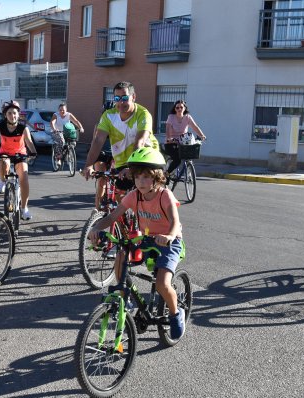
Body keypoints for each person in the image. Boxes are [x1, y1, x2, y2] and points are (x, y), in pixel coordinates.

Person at [88, 147, 185, 339]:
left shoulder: (164, 195)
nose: (140, 182)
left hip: (169, 242)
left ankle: (176, 314)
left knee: (162, 284)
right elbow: (114, 216)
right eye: (137, 177)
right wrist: (97, 228)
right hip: (146, 239)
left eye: (146, 177)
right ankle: (124, 296)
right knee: (121, 253)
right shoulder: (134, 196)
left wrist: (170, 236)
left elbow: (174, 222)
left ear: (157, 178)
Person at [83, 81, 159, 193]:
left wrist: (132, 168)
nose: (120, 102)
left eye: (124, 98)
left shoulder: (143, 114)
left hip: (145, 158)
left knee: (149, 194)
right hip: (122, 161)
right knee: (120, 195)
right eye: (117, 98)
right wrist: (88, 165)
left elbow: (140, 142)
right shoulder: (108, 115)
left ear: (133, 97)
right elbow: (98, 140)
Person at [0, 100, 37, 220]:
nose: (12, 115)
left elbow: (29, 143)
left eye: (15, 113)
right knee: (4, 162)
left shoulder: (23, 128)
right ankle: (3, 181)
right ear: (5, 115)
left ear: (18, 114)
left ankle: (24, 208)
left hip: (20, 155)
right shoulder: (0, 127)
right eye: (10, 113)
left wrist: (34, 152)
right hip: (5, 153)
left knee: (24, 177)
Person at [164, 99, 206, 175]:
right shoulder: (171, 117)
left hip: (183, 142)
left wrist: (202, 135)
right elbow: (167, 129)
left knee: (189, 155)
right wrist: (169, 138)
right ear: (175, 109)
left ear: (184, 108)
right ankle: (166, 174)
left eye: (181, 107)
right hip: (171, 143)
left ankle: (189, 174)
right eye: (177, 107)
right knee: (177, 160)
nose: (179, 109)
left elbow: (195, 127)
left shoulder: (187, 117)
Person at [91, 100, 115, 211]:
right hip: (102, 153)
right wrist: (90, 162)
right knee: (101, 180)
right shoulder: (99, 125)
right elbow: (94, 142)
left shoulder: (120, 124)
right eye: (106, 112)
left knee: (117, 179)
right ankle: (98, 210)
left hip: (115, 155)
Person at [50, 103, 84, 167]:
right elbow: (52, 122)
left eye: (63, 110)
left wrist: (81, 127)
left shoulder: (69, 115)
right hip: (57, 132)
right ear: (58, 110)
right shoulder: (56, 115)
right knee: (61, 141)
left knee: (73, 142)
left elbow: (76, 121)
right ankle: (58, 158)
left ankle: (69, 153)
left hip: (67, 132)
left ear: (66, 110)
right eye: (60, 110)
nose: (62, 111)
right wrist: (54, 129)